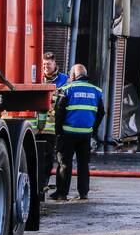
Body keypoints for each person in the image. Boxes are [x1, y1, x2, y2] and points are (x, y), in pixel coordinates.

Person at [52, 64, 105, 201]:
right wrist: (93, 129)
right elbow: (101, 113)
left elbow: (59, 112)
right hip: (85, 134)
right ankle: (83, 193)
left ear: (74, 75)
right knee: (83, 164)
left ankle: (62, 193)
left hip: (67, 133)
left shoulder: (66, 89)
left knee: (64, 163)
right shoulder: (97, 91)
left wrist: (58, 132)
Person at [36, 52, 69, 195]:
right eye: (43, 64)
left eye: (48, 64)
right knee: (36, 156)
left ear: (55, 64)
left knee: (48, 156)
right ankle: (37, 182)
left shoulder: (64, 80)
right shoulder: (36, 78)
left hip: (52, 126)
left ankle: (44, 183)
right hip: (35, 126)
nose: (45, 67)